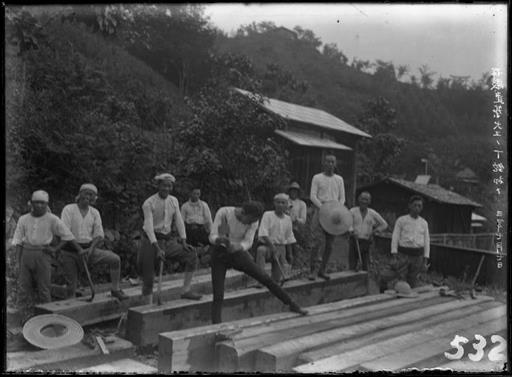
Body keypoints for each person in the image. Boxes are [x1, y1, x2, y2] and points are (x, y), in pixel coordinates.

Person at [209, 201, 308, 324]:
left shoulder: (254, 221)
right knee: (218, 294)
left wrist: (238, 247)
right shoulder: (224, 213)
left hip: (238, 252)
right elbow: (212, 236)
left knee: (264, 277)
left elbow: (248, 242)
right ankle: (217, 326)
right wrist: (219, 239)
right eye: (248, 221)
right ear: (243, 212)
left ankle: (292, 304)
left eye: (253, 221)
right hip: (220, 254)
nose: (250, 224)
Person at [11, 190, 82, 321]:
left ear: (46, 204)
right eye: (36, 202)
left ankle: (47, 318)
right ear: (31, 203)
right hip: (26, 253)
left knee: (44, 288)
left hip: (43, 254)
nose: (39, 206)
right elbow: (18, 241)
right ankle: (19, 317)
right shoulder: (23, 219)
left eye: (42, 203)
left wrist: (55, 249)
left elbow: (67, 235)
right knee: (23, 287)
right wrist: (17, 261)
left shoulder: (52, 219)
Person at [139, 173, 201, 304]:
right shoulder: (149, 203)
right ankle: (147, 307)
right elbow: (149, 227)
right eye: (163, 186)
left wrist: (183, 241)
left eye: (169, 186)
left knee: (191, 254)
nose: (166, 189)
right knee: (148, 278)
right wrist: (156, 248)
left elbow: (179, 221)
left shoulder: (174, 201)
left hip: (167, 241)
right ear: (158, 186)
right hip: (151, 241)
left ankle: (185, 290)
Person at [60, 184, 128, 300]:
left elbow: (99, 235)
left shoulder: (94, 212)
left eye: (92, 195)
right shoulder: (69, 209)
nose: (88, 196)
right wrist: (79, 249)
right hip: (70, 252)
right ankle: (70, 308)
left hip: (89, 250)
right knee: (71, 287)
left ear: (94, 199)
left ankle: (115, 289)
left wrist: (90, 249)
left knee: (115, 259)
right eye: (86, 193)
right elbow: (65, 233)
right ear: (80, 194)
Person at [309, 153, 346, 280]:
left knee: (329, 244)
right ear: (323, 163)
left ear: (335, 164)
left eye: (332, 162)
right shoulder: (317, 178)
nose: (330, 164)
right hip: (320, 210)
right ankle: (313, 270)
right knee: (317, 242)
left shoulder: (339, 179)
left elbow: (342, 198)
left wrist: (336, 209)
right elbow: (313, 196)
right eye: (328, 161)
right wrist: (323, 208)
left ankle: (322, 270)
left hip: (333, 212)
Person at [255, 193, 296, 285]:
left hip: (281, 248)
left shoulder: (288, 219)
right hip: (268, 246)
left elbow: (289, 238)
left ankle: (275, 281)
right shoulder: (267, 215)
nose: (280, 205)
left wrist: (289, 254)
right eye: (278, 202)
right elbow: (263, 233)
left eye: (283, 203)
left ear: (286, 205)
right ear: (274, 203)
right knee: (260, 250)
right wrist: (272, 247)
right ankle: (261, 280)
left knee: (276, 280)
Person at [391, 195, 430, 288]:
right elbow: (395, 237)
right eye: (415, 205)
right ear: (410, 206)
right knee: (401, 280)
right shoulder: (401, 220)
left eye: (419, 206)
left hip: (418, 256)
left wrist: (425, 259)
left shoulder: (424, 223)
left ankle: (412, 299)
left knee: (413, 280)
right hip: (403, 255)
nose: (417, 208)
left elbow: (426, 241)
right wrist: (394, 254)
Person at [349, 191, 388, 271]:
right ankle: (351, 281)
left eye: (366, 199)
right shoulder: (352, 211)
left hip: (366, 242)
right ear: (359, 199)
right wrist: (352, 231)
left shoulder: (372, 213)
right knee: (352, 264)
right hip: (354, 241)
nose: (364, 201)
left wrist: (375, 231)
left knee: (365, 265)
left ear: (369, 201)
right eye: (362, 199)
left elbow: (384, 224)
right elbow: (347, 223)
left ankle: (364, 282)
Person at [287, 182, 307, 268]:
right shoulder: (285, 200)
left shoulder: (302, 204)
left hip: (296, 228)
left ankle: (294, 263)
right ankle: (286, 262)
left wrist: (296, 220)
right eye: (292, 191)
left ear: (298, 193)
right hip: (284, 227)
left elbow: (303, 220)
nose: (293, 193)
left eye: (295, 191)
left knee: (293, 240)